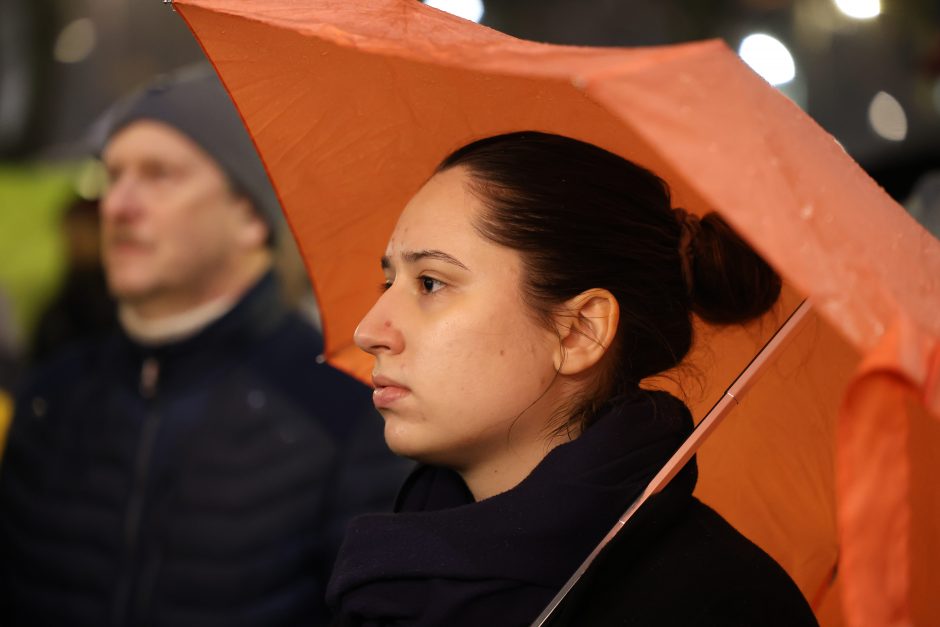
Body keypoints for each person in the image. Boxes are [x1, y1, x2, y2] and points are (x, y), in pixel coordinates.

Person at [325, 131, 819, 626]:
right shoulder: (396, 573)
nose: (369, 331)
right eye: (389, 282)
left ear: (579, 332)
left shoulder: (721, 604)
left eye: (431, 283)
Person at [0, 66, 410, 627]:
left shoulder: (345, 408)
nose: (118, 205)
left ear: (249, 216)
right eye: (112, 175)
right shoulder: (54, 394)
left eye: (159, 175)